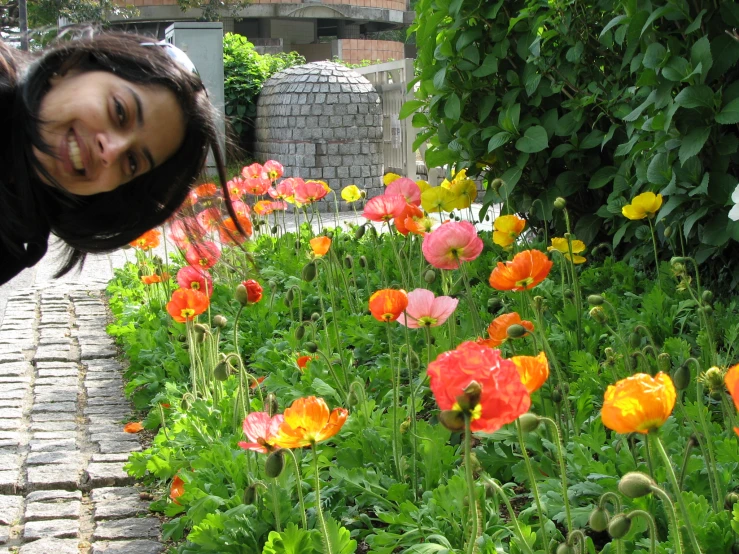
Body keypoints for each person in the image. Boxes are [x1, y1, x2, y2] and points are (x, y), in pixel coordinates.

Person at [0, 29, 241, 285]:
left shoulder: (20, 241)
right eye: (119, 111)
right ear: (70, 67)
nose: (112, 151)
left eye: (133, 162)